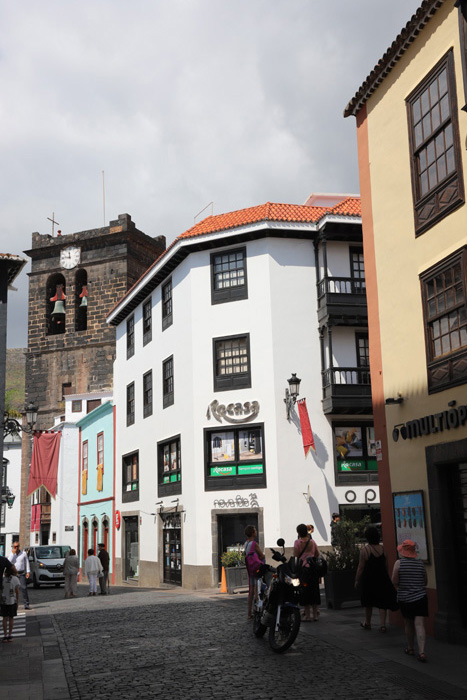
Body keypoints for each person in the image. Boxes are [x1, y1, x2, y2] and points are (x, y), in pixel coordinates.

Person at [355, 525, 397, 631]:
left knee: (368, 601)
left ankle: (368, 622)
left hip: (369, 579)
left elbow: (361, 566)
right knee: (382, 602)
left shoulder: (365, 550)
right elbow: (386, 564)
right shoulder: (382, 549)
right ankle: (382, 624)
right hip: (382, 577)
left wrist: (356, 579)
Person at [392, 539, 428, 663]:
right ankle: (422, 652)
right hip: (420, 597)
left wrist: (401, 589)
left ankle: (411, 648)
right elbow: (425, 582)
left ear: (403, 551)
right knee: (420, 625)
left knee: (408, 624)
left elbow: (394, 581)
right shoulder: (420, 563)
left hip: (405, 598)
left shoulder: (399, 564)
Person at [294, 523, 321, 622]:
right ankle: (315, 615)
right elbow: (317, 554)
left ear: (298, 532)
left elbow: (296, 556)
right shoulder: (312, 542)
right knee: (314, 590)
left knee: (305, 592)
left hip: (303, 570)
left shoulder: (297, 542)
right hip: (313, 569)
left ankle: (308, 616)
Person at [244, 525, 265, 621]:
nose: (256, 531)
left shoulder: (246, 543)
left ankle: (249, 613)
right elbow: (261, 555)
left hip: (250, 568)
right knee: (257, 590)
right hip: (256, 568)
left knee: (251, 591)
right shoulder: (254, 543)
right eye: (255, 530)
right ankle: (257, 610)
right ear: (252, 533)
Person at [8, 541, 31, 609]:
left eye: (17, 546)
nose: (16, 548)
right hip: (14, 574)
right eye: (15, 546)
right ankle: (13, 604)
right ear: (13, 547)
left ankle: (26, 604)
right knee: (13, 589)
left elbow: (27, 562)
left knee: (24, 588)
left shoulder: (23, 553)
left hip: (22, 573)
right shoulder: (11, 554)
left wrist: (28, 572)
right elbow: (9, 562)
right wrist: (13, 554)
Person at [1, 565, 19, 642]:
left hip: (3, 600)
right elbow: (17, 591)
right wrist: (17, 600)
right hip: (12, 600)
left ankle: (5, 635)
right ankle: (10, 635)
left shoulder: (2, 579)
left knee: (4, 618)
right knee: (11, 618)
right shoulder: (15, 579)